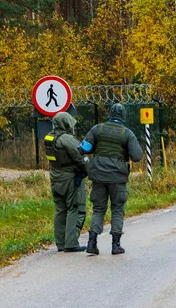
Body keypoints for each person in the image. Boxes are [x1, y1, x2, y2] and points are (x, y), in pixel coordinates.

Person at [80, 102, 143, 255]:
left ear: (109, 114)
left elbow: (84, 149)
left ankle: (92, 242)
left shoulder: (97, 129)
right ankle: (116, 245)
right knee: (117, 209)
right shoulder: (127, 133)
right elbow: (137, 156)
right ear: (123, 116)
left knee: (98, 209)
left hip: (98, 177)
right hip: (118, 178)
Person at [43, 111, 86, 252]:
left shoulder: (49, 137)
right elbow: (79, 156)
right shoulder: (66, 139)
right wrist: (89, 169)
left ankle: (60, 243)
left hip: (55, 177)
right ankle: (71, 242)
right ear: (66, 123)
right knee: (75, 208)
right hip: (70, 178)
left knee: (60, 210)